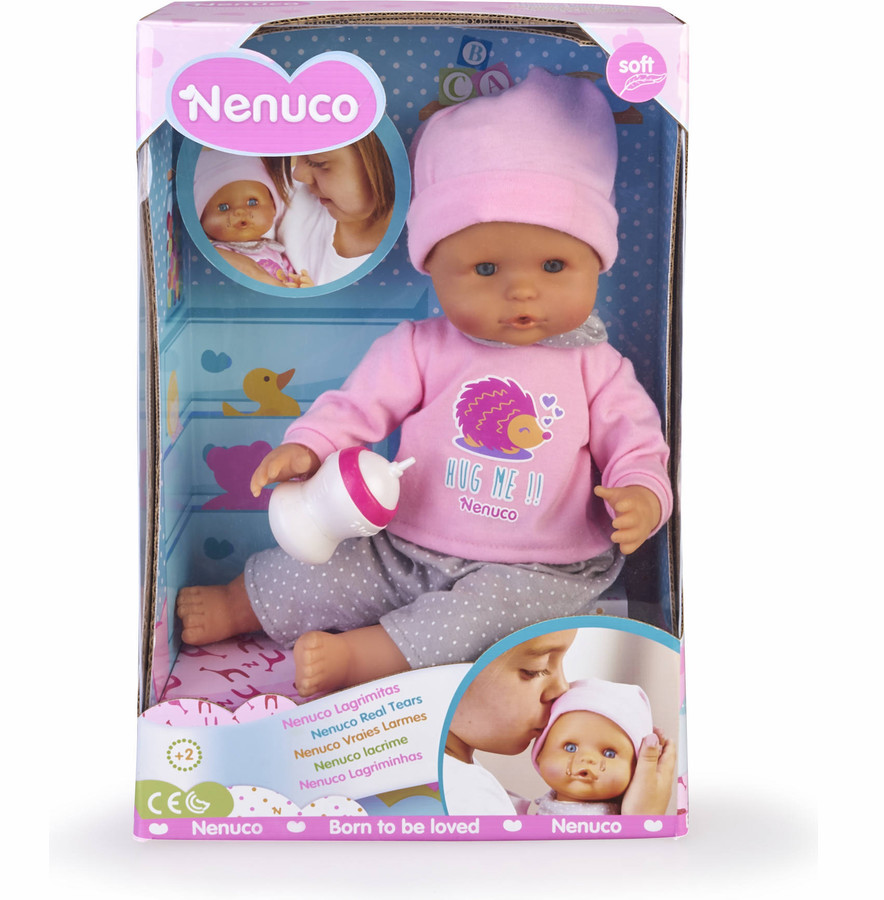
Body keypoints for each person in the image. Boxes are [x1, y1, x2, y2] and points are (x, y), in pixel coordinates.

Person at [177, 69, 673, 698]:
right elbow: (357, 406)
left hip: (541, 568)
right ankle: (239, 603)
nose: (522, 290)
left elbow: (637, 445)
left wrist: (642, 496)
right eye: (485, 268)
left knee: (489, 622)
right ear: (432, 265)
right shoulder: (421, 347)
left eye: (554, 265)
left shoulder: (596, 366)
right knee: (326, 565)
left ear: (596, 262)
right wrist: (311, 446)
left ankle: (365, 658)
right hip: (403, 544)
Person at [441, 632, 675, 816]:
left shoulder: (462, 782)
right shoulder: (463, 794)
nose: (562, 688)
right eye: (535, 669)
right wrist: (642, 823)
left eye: (610, 753)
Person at [265, 132, 395, 285]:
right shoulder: (289, 192)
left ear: (383, 163)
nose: (298, 174)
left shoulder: (396, 271)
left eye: (318, 163)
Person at [527, 678, 653, 815]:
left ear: (635, 768)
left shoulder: (630, 817)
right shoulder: (519, 814)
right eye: (570, 747)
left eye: (609, 753)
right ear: (540, 753)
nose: (587, 759)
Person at [194, 149, 313, 288]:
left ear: (273, 207)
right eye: (223, 207)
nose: (240, 212)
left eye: (252, 202)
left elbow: (288, 279)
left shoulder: (275, 250)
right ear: (201, 220)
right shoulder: (216, 254)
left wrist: (300, 284)